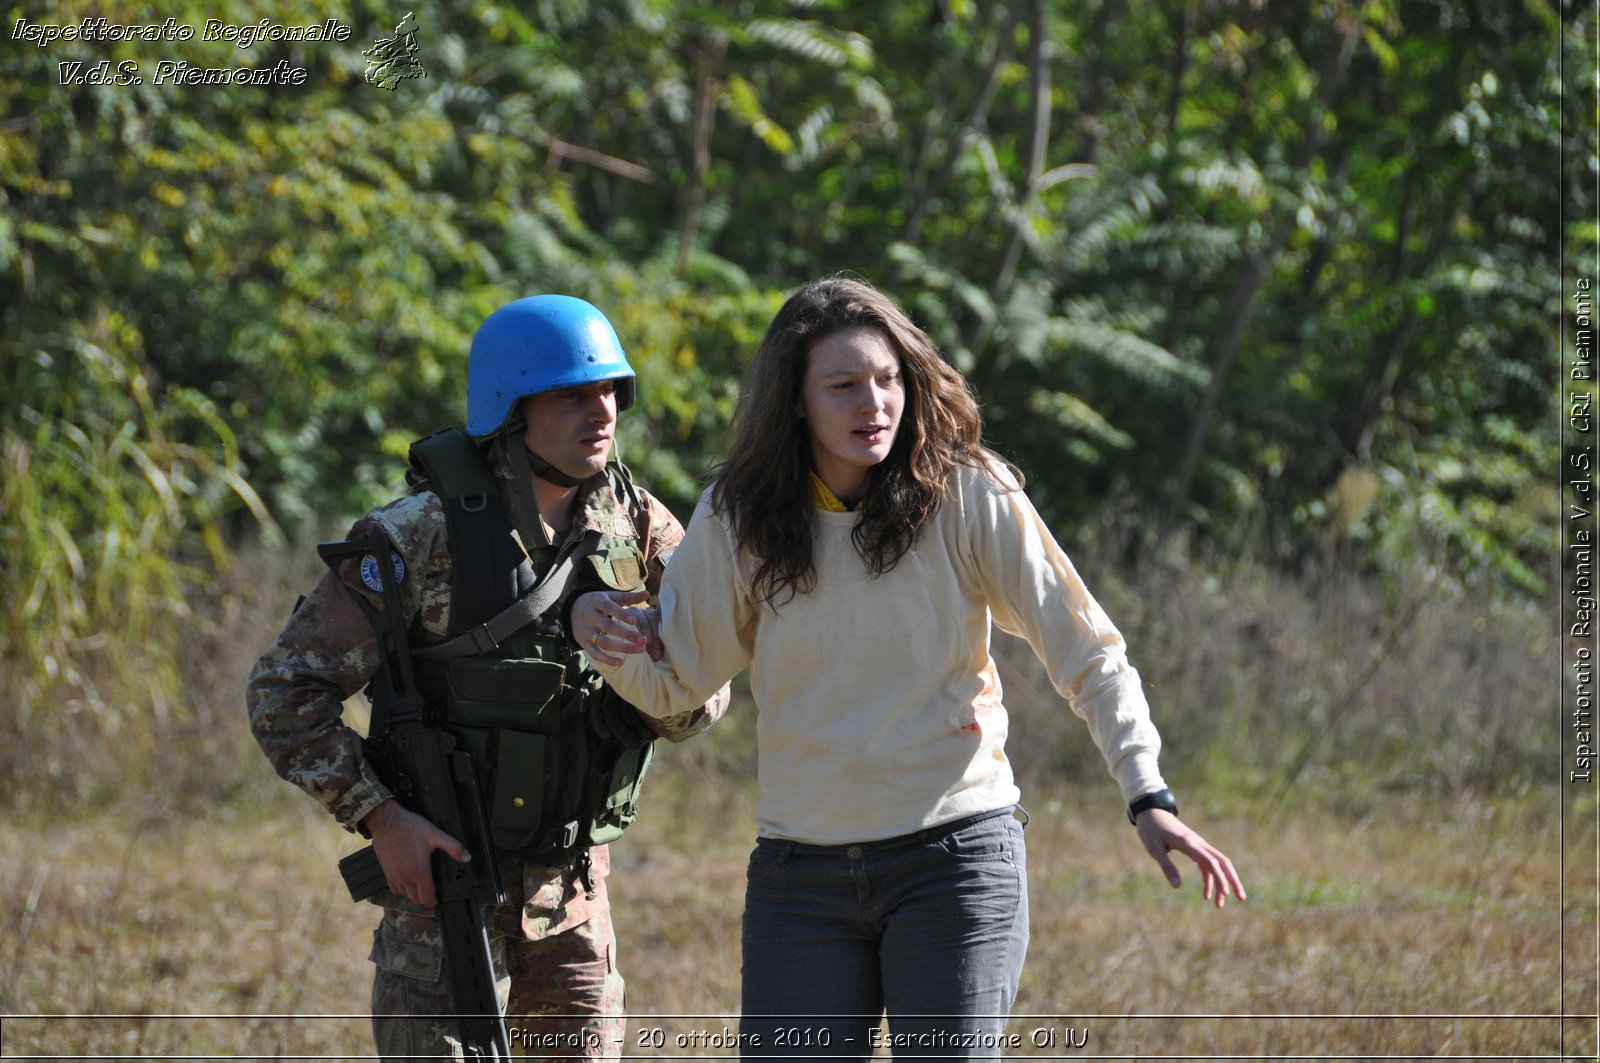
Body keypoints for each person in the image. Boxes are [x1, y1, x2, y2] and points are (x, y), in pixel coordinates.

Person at [572, 276, 1245, 1059]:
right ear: (796, 401)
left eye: (889, 379)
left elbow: (1087, 650)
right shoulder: (737, 514)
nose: (875, 403)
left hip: (953, 861)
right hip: (800, 877)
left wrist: (1147, 793)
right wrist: (594, 627)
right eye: (844, 385)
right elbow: (680, 677)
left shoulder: (968, 493)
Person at [247, 294, 730, 1061]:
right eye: (572, 393)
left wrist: (643, 660)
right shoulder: (419, 534)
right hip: (441, 904)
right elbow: (282, 693)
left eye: (610, 390)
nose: (600, 411)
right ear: (510, 407)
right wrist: (381, 817)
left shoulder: (637, 525)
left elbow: (704, 700)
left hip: (573, 906)